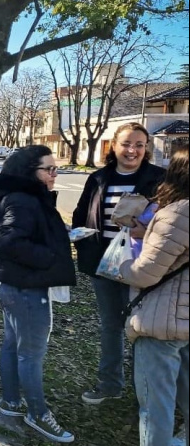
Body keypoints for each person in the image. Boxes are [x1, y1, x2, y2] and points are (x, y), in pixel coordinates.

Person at [0, 145, 76, 443]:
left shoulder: (23, 196)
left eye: (55, 169)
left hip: (11, 281)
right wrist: (51, 257)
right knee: (30, 353)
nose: (54, 175)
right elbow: (11, 242)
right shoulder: (23, 199)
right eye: (49, 170)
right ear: (29, 172)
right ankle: (37, 413)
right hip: (22, 285)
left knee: (13, 344)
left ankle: (11, 402)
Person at [72, 122, 166, 405]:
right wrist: (83, 242)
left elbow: (174, 220)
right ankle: (110, 384)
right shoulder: (99, 178)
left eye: (139, 144)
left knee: (142, 328)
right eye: (126, 144)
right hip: (106, 265)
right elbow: (81, 213)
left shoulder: (159, 178)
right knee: (111, 326)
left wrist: (147, 231)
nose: (132, 150)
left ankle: (145, 391)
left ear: (146, 147)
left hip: (145, 266)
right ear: (114, 145)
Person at [117, 145, 188, 446]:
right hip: (184, 318)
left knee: (155, 406)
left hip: (160, 321)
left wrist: (122, 265)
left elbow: (146, 273)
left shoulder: (178, 213)